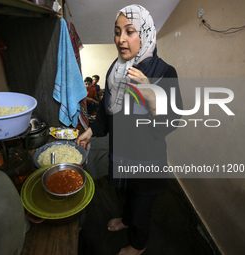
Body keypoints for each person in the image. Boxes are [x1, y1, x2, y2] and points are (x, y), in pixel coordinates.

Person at [76, 5, 183, 255]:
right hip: (120, 152)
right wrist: (92, 130)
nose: (120, 39)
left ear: (145, 34)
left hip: (146, 158)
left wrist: (152, 97)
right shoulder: (115, 69)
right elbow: (106, 108)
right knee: (123, 193)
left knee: (141, 206)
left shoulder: (164, 72)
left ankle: (138, 244)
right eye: (117, 32)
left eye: (130, 31)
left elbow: (173, 119)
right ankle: (126, 220)